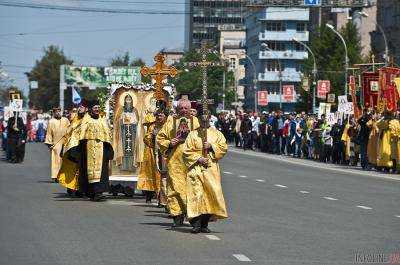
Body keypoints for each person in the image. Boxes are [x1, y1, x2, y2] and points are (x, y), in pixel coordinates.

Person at [156, 98, 200, 228]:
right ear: (178, 109)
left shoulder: (195, 122)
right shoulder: (171, 121)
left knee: (191, 189)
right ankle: (177, 216)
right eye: (181, 108)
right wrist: (170, 143)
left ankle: (194, 216)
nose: (184, 111)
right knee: (175, 188)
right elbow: (160, 137)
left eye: (186, 108)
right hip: (175, 160)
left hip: (192, 160)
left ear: (190, 108)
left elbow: (202, 137)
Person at [183, 112, 228, 233]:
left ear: (209, 119)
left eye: (206, 119)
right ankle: (195, 223)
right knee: (196, 194)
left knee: (210, 194)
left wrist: (212, 146)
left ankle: (204, 223)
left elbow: (223, 147)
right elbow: (186, 151)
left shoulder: (217, 133)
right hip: (196, 168)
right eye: (201, 120)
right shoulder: (192, 134)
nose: (204, 122)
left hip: (210, 168)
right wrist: (198, 158)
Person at [73, 100, 114, 201]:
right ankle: (91, 192)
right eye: (95, 108)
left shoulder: (102, 120)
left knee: (101, 171)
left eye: (98, 108)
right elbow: (81, 134)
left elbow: (107, 134)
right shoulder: (86, 120)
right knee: (88, 171)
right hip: (88, 149)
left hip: (101, 148)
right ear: (91, 109)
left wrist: (108, 149)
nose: (97, 109)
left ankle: (98, 192)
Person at [137, 108, 167, 204]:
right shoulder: (153, 126)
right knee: (152, 174)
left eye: (161, 115)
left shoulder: (168, 126)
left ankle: (162, 199)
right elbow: (146, 139)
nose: (159, 117)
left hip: (165, 154)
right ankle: (149, 195)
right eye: (157, 116)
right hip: (154, 153)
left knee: (163, 177)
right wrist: (153, 136)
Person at [57, 103, 88, 195]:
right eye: (80, 107)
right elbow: (68, 132)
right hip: (73, 147)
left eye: (82, 107)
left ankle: (80, 188)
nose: (80, 109)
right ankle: (71, 187)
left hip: (85, 146)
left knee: (83, 168)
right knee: (72, 167)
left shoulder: (88, 119)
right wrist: (64, 146)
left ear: (86, 109)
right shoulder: (75, 119)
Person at [45, 107, 70, 182]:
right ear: (54, 113)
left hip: (65, 142)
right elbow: (49, 133)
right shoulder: (51, 121)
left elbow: (69, 129)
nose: (58, 113)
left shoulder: (65, 120)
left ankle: (63, 176)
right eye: (57, 112)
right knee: (56, 160)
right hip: (56, 143)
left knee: (64, 160)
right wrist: (49, 143)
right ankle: (55, 176)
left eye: (59, 111)